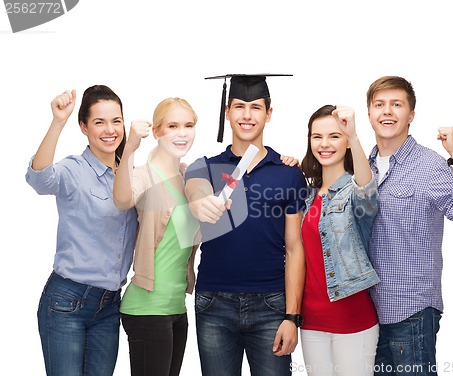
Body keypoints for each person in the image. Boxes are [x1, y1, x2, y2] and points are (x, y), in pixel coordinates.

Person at [184, 74, 307, 376]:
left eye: (255, 107)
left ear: (269, 113)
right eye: (239, 106)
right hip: (214, 303)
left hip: (272, 305)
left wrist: (292, 316)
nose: (247, 115)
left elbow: (294, 248)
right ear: (227, 112)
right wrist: (199, 202)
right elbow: (194, 190)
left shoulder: (287, 173)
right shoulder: (206, 167)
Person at [365, 76, 453, 375]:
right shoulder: (361, 166)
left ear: (411, 115)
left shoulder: (429, 165)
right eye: (379, 105)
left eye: (397, 104)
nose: (387, 112)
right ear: (369, 114)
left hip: (411, 311)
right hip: (365, 312)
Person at [25, 85, 138, 376]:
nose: (110, 130)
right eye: (99, 122)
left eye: (116, 121)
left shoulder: (131, 174)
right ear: (84, 127)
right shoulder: (74, 170)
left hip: (110, 306)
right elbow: (39, 179)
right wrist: (58, 121)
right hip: (66, 303)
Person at [113, 97, 200, 376]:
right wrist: (129, 149)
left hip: (177, 307)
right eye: (172, 125)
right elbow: (123, 199)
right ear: (157, 132)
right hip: (147, 308)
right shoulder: (145, 175)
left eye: (188, 125)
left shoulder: (189, 178)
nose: (182, 133)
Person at [299, 104, 380, 376]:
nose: (324, 144)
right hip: (310, 322)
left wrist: (355, 136)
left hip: (353, 321)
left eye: (334, 136)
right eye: (316, 137)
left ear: (345, 142)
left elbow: (367, 193)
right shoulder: (306, 194)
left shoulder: (352, 192)